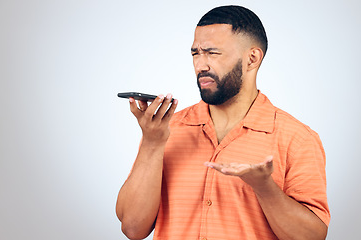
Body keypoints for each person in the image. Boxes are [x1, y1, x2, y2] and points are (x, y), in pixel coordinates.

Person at [116, 5, 330, 240]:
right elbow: (133, 228)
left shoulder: (297, 139)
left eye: (213, 53)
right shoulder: (165, 130)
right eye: (195, 53)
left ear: (252, 58)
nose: (201, 65)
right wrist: (151, 143)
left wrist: (264, 188)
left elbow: (312, 237)